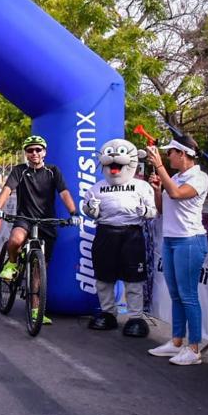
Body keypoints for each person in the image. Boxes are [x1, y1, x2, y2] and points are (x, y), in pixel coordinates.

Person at [0, 135, 81, 325]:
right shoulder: (19, 171)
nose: (34, 153)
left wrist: (74, 212)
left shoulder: (53, 171)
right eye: (30, 150)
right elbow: (8, 189)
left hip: (46, 222)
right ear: (25, 153)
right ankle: (12, 264)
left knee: (39, 272)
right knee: (15, 240)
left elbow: (64, 193)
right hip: (24, 218)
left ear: (44, 152)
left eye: (38, 150)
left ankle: (35, 310)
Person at [82, 139, 158, 335]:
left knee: (134, 278)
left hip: (132, 233)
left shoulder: (141, 186)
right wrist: (92, 210)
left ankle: (135, 317)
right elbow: (87, 209)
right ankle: (108, 312)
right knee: (103, 277)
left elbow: (153, 211)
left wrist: (146, 210)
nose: (114, 161)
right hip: (105, 232)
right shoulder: (96, 187)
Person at [145, 134, 208, 366]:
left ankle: (194, 349)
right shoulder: (176, 177)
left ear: (182, 154)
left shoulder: (199, 177)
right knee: (176, 294)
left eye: (170, 152)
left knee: (188, 295)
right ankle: (176, 341)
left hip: (190, 240)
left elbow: (177, 194)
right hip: (171, 240)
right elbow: (163, 209)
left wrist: (160, 167)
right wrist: (156, 189)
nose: (168, 156)